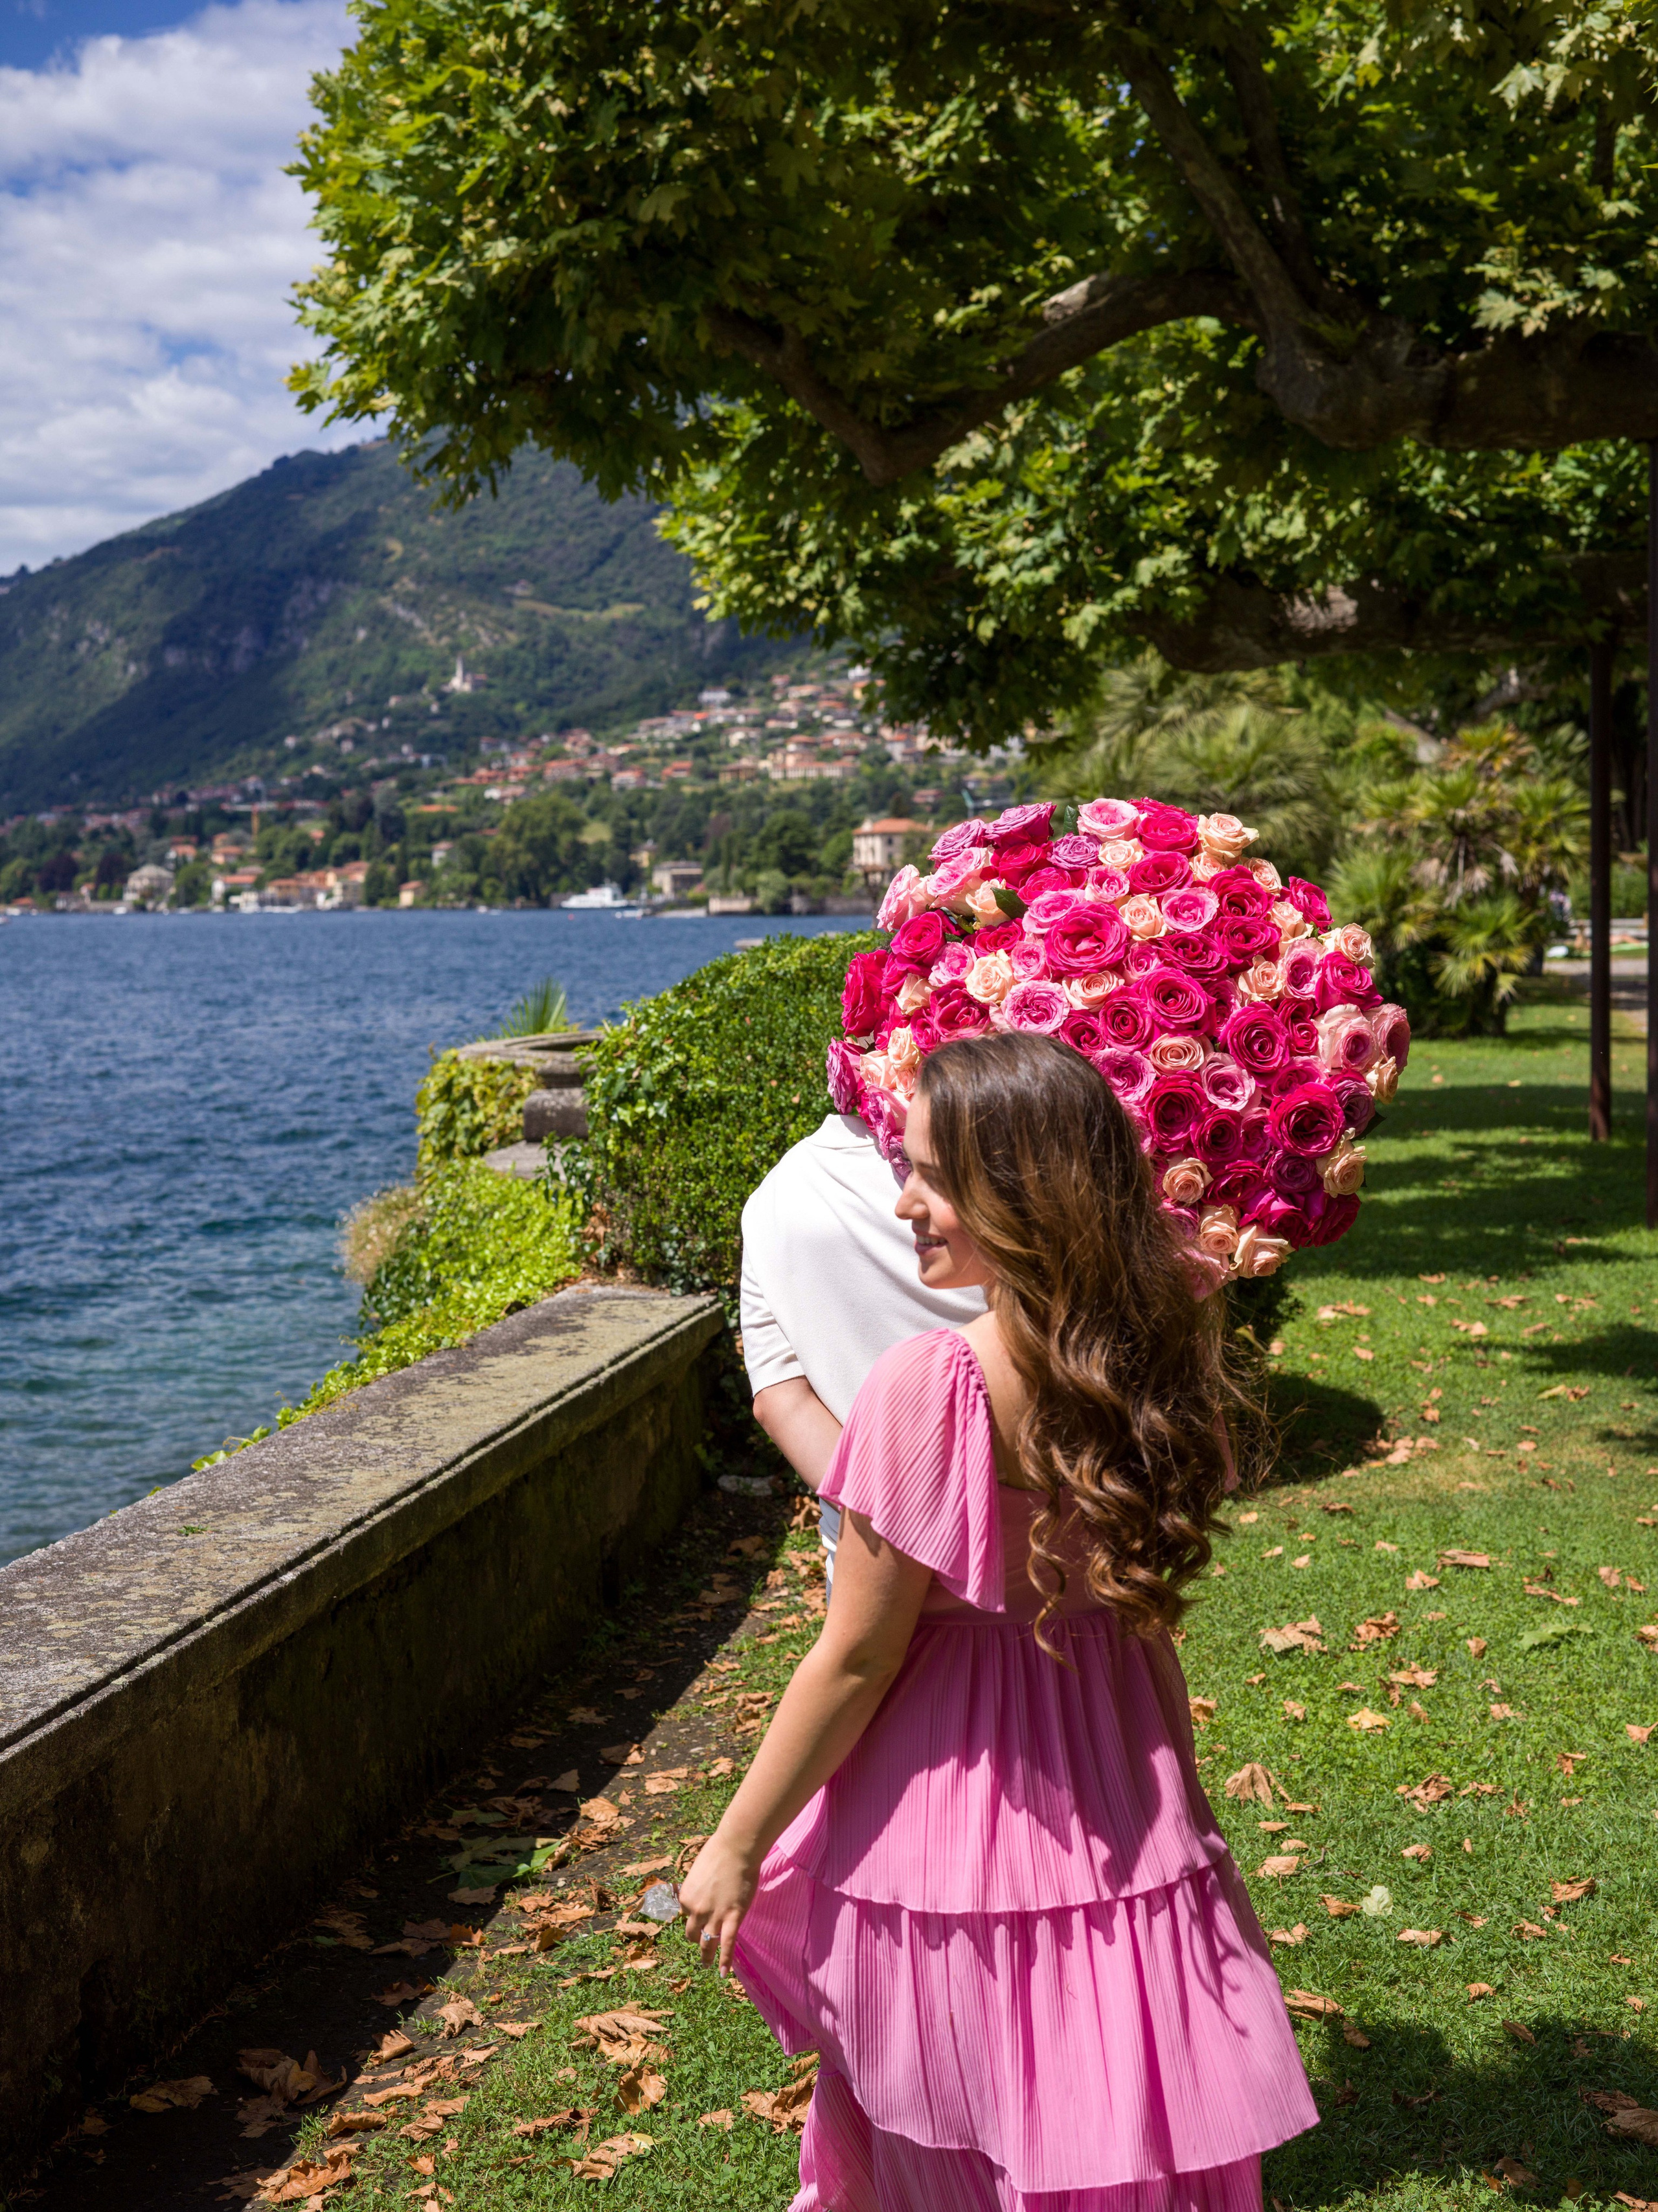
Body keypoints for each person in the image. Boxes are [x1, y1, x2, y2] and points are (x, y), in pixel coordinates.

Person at [682, 1032, 1317, 2212]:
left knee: (966, 2128)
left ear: (1022, 1194)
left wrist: (734, 1842)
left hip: (955, 1803)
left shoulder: (938, 1382)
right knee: (1113, 2104)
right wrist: (1185, 1800)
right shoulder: (1158, 1357)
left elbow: (857, 1656)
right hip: (1122, 1780)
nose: (904, 1203)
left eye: (932, 1176)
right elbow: (1142, 1621)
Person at [740, 1105, 984, 1577]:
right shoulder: (996, 1159)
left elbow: (777, 1400)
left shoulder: (774, 1194)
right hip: (1037, 1534)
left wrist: (892, 1521)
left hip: (865, 1548)